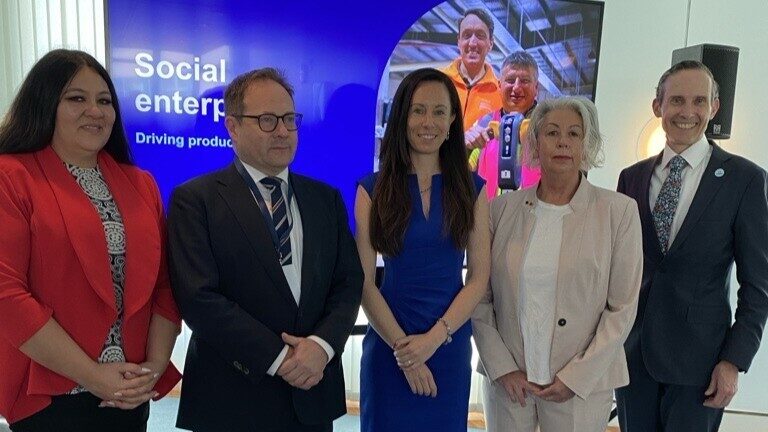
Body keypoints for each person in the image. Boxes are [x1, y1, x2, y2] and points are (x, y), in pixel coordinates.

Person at [167, 67, 363, 432]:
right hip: (232, 398)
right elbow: (198, 298)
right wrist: (281, 359)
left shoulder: (325, 198)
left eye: (289, 119)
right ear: (233, 127)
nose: (283, 131)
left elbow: (348, 283)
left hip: (312, 392)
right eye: (267, 120)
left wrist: (322, 346)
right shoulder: (195, 200)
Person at [0, 49, 181, 432]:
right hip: (48, 395)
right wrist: (93, 375)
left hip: (129, 393)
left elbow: (165, 287)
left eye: (105, 101)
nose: (95, 111)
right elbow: (6, 295)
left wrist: (152, 368)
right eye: (76, 98)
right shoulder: (11, 177)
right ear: (45, 104)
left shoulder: (142, 184)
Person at [473, 96, 642, 432]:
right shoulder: (499, 210)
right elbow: (479, 296)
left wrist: (576, 376)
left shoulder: (618, 212)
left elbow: (622, 308)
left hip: (580, 387)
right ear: (535, 143)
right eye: (552, 132)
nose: (563, 141)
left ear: (586, 144)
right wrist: (502, 367)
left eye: (574, 133)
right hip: (510, 383)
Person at [616, 60, 768, 432]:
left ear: (714, 107)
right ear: (658, 106)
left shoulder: (745, 180)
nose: (687, 112)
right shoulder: (631, 178)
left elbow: (758, 286)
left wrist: (734, 361)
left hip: (702, 367)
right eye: (677, 100)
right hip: (633, 360)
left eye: (699, 101)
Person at [356, 68, 491, 432]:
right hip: (389, 343)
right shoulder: (372, 190)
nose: (428, 121)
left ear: (452, 121)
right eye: (418, 110)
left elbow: (479, 278)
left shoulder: (473, 190)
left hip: (448, 345)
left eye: (438, 111)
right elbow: (364, 283)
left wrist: (433, 340)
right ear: (402, 117)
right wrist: (406, 353)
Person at [467, 51, 540, 199]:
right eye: (510, 80)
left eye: (525, 81)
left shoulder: (549, 127)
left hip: (536, 212)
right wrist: (464, 149)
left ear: (536, 88)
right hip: (489, 212)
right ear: (500, 85)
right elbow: (464, 171)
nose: (516, 87)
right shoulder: (484, 123)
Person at [443, 8, 502, 131]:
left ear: (491, 43)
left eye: (480, 36)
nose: (473, 43)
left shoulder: (500, 94)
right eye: (467, 35)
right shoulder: (438, 80)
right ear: (459, 41)